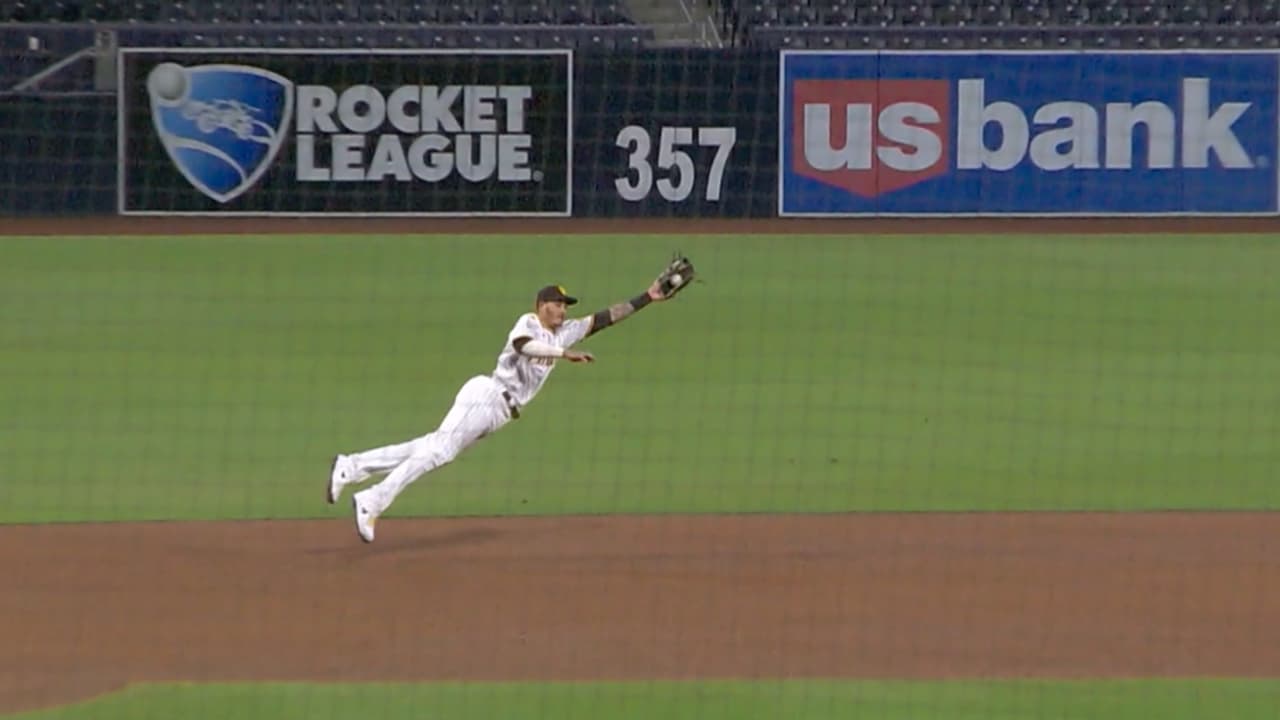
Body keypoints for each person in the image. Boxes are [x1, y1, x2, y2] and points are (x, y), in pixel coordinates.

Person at [327, 275, 682, 543]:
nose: (563, 309)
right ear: (541, 305)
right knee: (439, 452)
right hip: (486, 395)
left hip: (497, 413)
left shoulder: (564, 332)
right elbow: (524, 346)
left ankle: (351, 466)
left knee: (430, 446)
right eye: (557, 303)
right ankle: (373, 500)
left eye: (565, 305)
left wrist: (648, 297)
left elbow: (605, 318)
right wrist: (563, 354)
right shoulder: (529, 323)